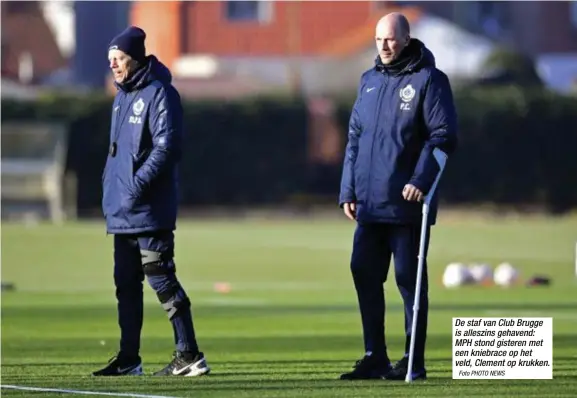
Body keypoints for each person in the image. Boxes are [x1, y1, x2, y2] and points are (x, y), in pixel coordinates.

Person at [338, 13, 458, 381]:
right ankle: (374, 354)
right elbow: (355, 139)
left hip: (407, 208)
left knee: (410, 281)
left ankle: (412, 360)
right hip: (370, 207)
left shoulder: (430, 81)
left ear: (406, 39)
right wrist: (349, 189)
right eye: (378, 40)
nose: (384, 46)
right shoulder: (369, 81)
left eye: (390, 39)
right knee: (363, 273)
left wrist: (421, 180)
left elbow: (443, 137)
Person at [93, 26, 210, 377]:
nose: (114, 66)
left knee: (161, 278)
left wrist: (135, 186)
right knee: (125, 285)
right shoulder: (121, 96)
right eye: (111, 60)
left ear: (136, 57)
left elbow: (167, 147)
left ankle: (188, 354)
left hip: (148, 209)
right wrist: (112, 189)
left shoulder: (160, 93)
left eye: (120, 59)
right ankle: (129, 358)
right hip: (123, 212)